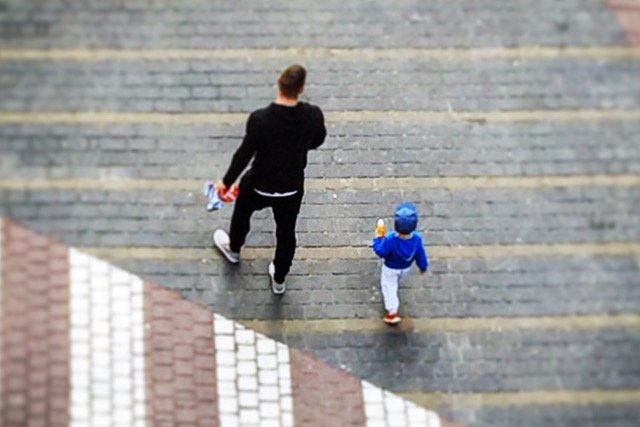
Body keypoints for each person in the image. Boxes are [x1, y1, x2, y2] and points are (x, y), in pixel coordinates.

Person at [213, 64, 326, 294]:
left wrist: (226, 182)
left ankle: (234, 249)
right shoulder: (312, 115)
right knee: (286, 232)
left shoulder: (260, 119)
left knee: (242, 214)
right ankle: (280, 278)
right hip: (291, 188)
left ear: (279, 83)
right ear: (301, 88)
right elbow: (318, 140)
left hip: (259, 185)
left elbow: (244, 154)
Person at [372, 202, 429, 324]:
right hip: (405, 267)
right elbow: (421, 254)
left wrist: (377, 238)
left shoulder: (391, 239)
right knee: (397, 280)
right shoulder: (417, 239)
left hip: (390, 268)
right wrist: (422, 267)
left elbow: (381, 252)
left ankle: (392, 313)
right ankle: (394, 299)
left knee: (389, 287)